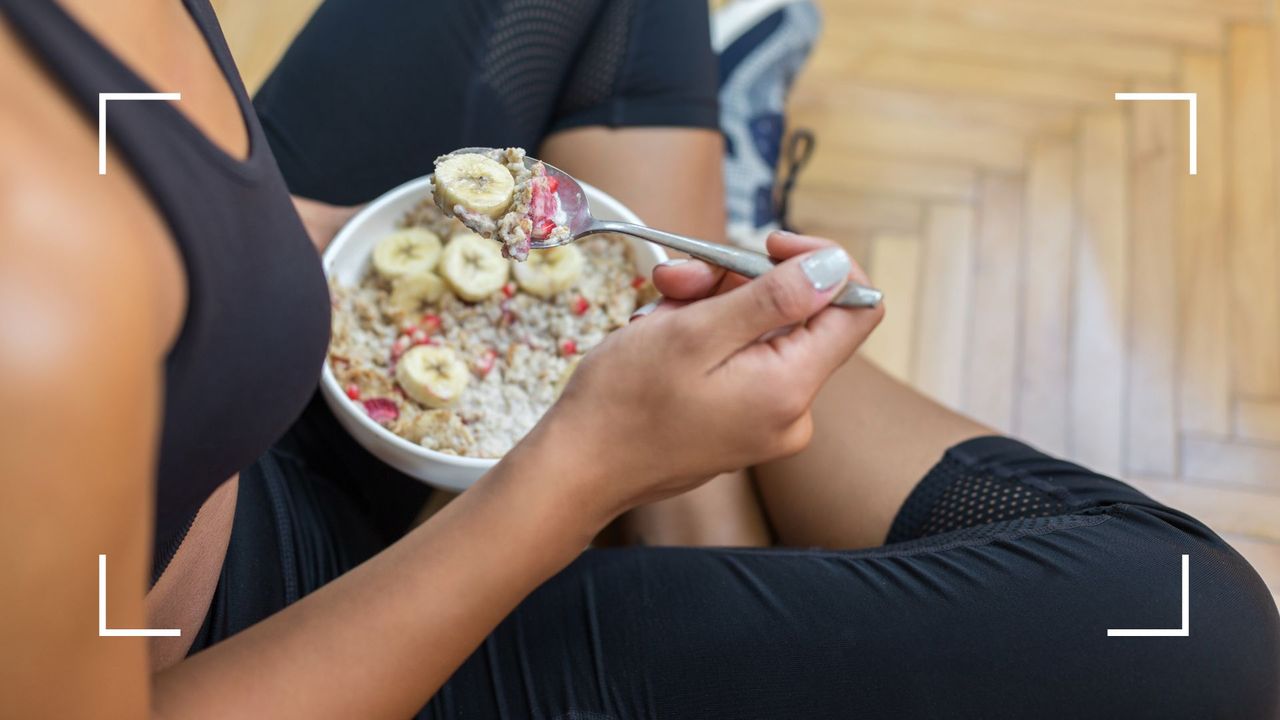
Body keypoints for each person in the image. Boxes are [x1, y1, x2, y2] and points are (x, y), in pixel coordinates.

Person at [0, 2, 1276, 719]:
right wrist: (581, 473)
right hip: (277, 645)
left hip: (234, 395)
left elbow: (149, 184)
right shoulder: (34, 314)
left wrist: (324, 256)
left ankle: (696, 417)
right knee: (1188, 630)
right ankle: (695, 426)